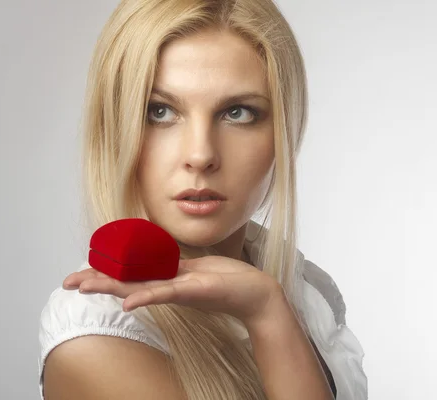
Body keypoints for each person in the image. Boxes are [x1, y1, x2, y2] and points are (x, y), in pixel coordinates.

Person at [38, 0, 367, 399]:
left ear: (285, 129)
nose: (200, 154)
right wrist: (268, 317)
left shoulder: (302, 285)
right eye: (159, 111)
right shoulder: (97, 340)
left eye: (239, 113)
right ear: (114, 128)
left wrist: (270, 310)